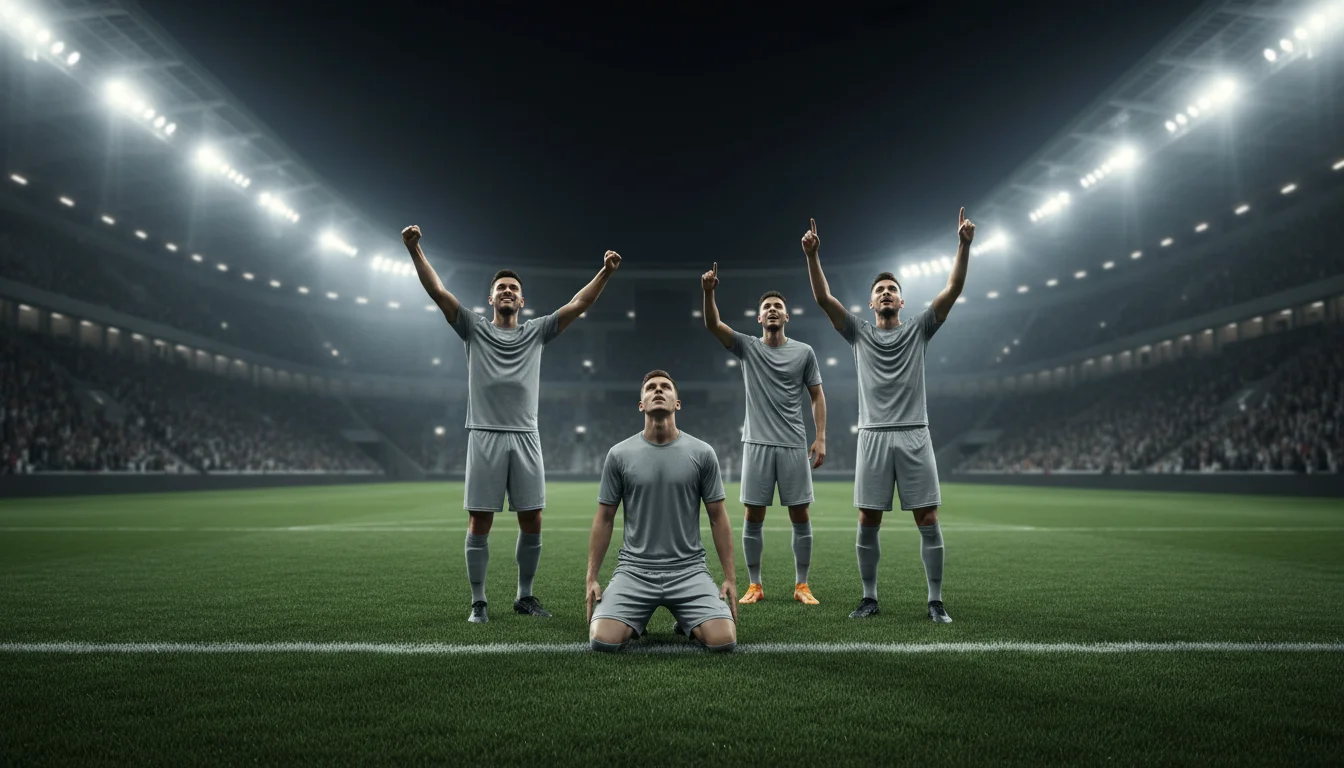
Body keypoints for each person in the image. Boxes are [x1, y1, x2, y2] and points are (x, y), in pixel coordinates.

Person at [403, 224, 622, 623]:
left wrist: (605, 272)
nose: (506, 291)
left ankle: (524, 596)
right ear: (491, 298)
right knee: (479, 519)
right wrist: (415, 250)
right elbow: (438, 292)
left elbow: (577, 304)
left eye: (512, 288)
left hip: (526, 435)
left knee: (533, 517)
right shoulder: (473, 327)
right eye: (500, 287)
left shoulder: (535, 331)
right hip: (484, 434)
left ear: (522, 299)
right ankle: (479, 602)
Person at [801, 211, 974, 622]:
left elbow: (952, 289)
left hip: (915, 433)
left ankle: (935, 601)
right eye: (879, 289)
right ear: (871, 301)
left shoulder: (919, 329)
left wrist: (964, 245)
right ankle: (869, 598)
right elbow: (824, 299)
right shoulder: (859, 333)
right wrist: (812, 256)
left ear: (901, 301)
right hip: (874, 435)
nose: (884, 294)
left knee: (928, 517)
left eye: (891, 289)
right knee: (867, 518)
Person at [585, 370, 739, 653]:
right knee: (602, 640)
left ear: (677, 403)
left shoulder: (702, 453)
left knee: (724, 641)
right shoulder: (618, 454)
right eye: (651, 388)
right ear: (641, 404)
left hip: (688, 570)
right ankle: (636, 617)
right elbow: (604, 519)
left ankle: (688, 620)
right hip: (634, 571)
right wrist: (592, 577)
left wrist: (729, 577)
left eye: (666, 387)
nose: (658, 390)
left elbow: (718, 518)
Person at [700, 264, 826, 606]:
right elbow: (713, 324)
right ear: (759, 319)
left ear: (786, 316)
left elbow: (817, 394)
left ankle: (802, 585)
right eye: (766, 308)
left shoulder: (804, 352)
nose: (772, 310)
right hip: (756, 444)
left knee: (800, 515)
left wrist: (821, 436)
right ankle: (755, 585)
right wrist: (709, 292)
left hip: (792, 444)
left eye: (777, 307)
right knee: (753, 516)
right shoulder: (748, 348)